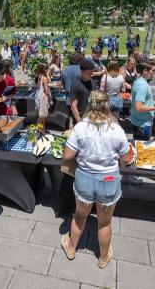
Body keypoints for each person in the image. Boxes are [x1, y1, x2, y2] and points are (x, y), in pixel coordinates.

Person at [61, 90, 133, 269]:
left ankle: (71, 248)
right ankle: (102, 258)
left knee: (79, 216)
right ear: (107, 105)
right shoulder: (117, 129)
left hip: (84, 178)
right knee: (104, 222)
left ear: (90, 105)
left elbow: (68, 155)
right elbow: (125, 160)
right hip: (108, 179)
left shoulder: (80, 127)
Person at [130, 60, 155, 142]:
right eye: (153, 71)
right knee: (142, 146)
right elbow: (139, 107)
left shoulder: (139, 81)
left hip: (142, 122)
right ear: (145, 71)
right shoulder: (142, 85)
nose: (154, 73)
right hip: (142, 124)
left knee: (142, 142)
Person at [69, 60, 95, 125]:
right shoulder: (76, 85)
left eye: (92, 73)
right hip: (81, 118)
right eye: (88, 73)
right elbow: (73, 106)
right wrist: (79, 123)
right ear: (82, 72)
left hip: (92, 117)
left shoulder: (93, 82)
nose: (91, 75)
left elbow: (94, 99)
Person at [34, 63, 53, 132]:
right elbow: (47, 91)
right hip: (43, 99)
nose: (47, 70)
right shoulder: (44, 78)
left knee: (40, 117)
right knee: (43, 118)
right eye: (46, 69)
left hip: (38, 98)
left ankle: (38, 131)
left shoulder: (37, 77)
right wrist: (50, 100)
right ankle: (42, 132)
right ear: (43, 70)